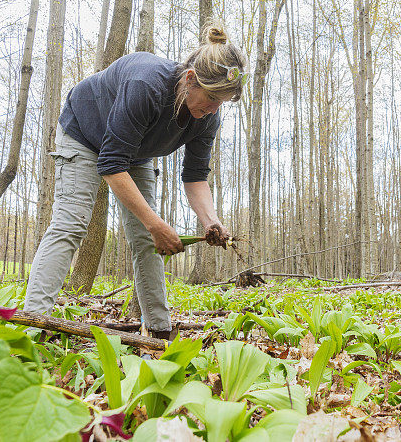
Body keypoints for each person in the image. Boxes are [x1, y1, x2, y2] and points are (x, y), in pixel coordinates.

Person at [24, 23, 248, 340]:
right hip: (84, 134)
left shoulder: (208, 117)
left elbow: (195, 176)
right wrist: (156, 223)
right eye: (211, 98)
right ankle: (33, 325)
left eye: (221, 103)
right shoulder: (146, 85)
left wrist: (210, 221)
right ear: (189, 79)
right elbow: (111, 165)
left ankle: (158, 332)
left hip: (134, 151)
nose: (213, 109)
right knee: (71, 222)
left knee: (145, 238)